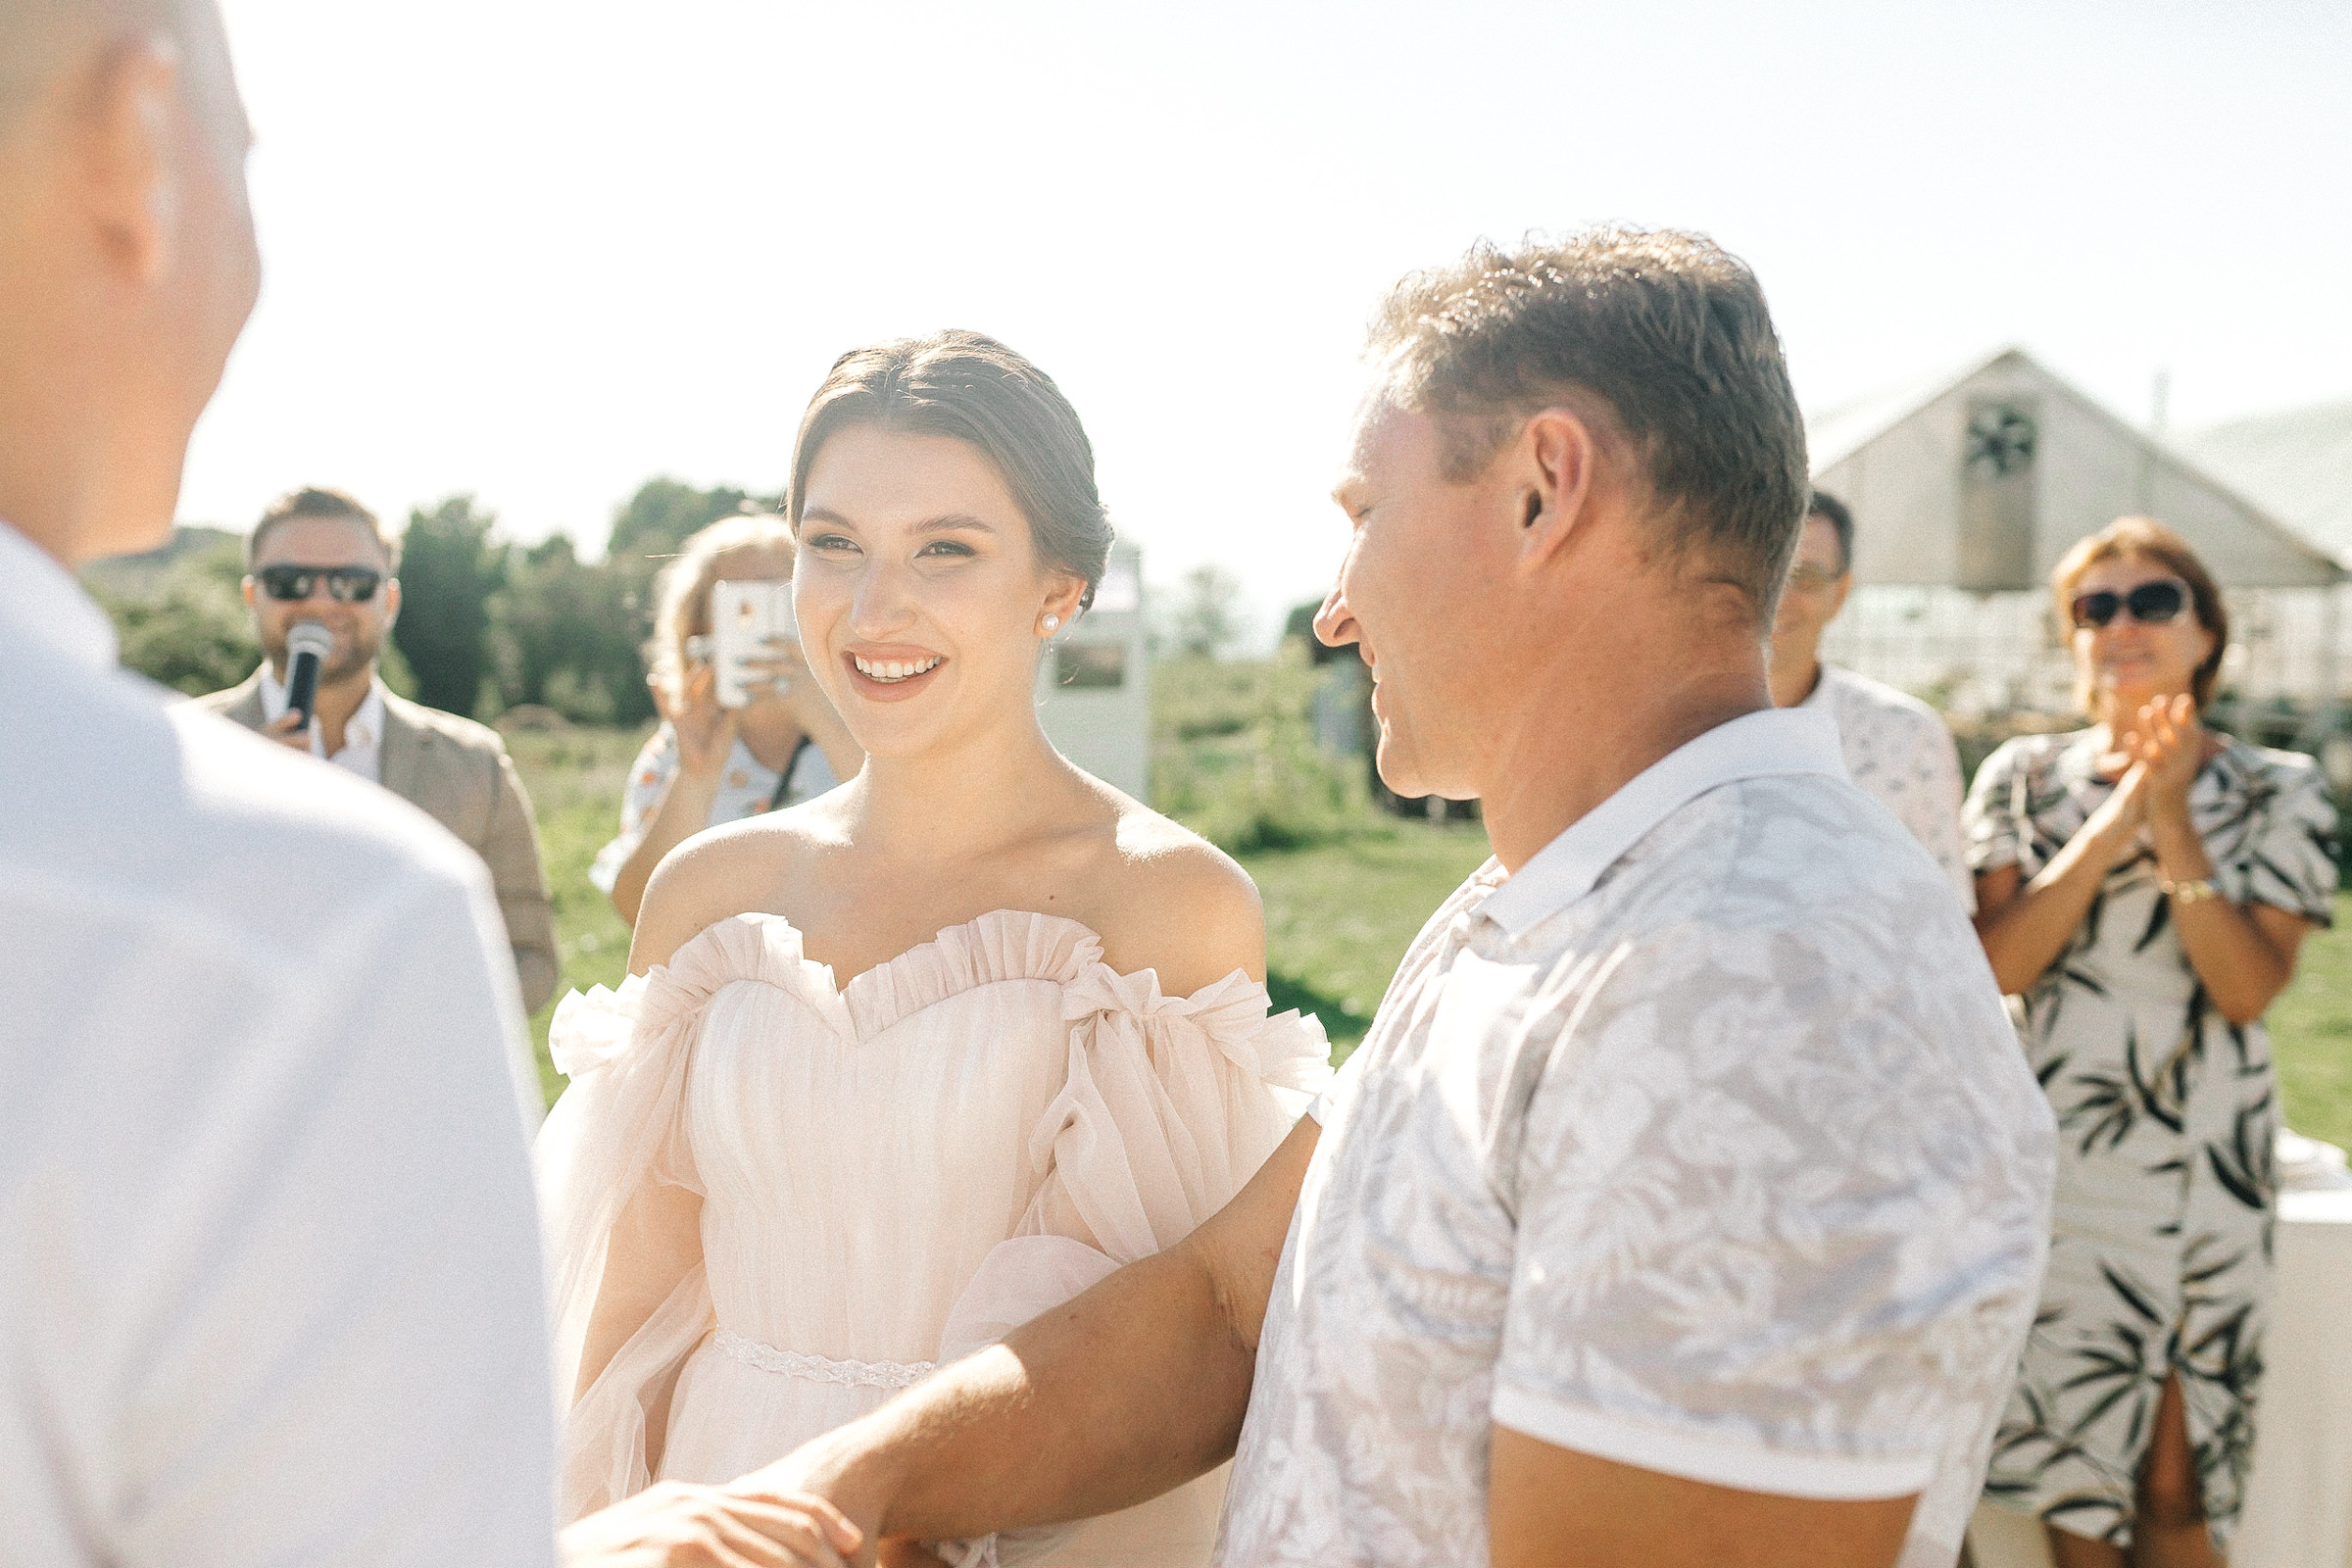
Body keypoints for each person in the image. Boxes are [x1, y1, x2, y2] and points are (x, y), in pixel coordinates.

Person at [624, 228, 2059, 1568]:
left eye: (1367, 511)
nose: (1334, 607)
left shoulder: (1765, 981)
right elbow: (1225, 1305)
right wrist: (824, 1501)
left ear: (1542, 491)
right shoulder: (1537, 912)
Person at [540, 330, 1331, 1565]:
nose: (872, 607)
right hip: (717, 1517)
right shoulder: (711, 892)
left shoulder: (1162, 909)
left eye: (944, 551)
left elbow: (1150, 1365)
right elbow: (630, 1305)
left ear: (1058, 585)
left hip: (1000, 1520)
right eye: (833, 544)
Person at [0, 2, 558, 1562]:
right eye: (237, 154)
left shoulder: (447, 795)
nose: (317, 606)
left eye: (349, 581)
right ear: (136, 140)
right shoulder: (321, 933)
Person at [1966, 517, 2338, 1567]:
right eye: (2097, 607)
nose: (2123, 624)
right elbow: (2000, 963)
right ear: (2073, 637)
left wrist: (2173, 820)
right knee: (2073, 1491)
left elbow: (2245, 987)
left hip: (2202, 1176)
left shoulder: (2281, 788)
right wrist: (2123, 804)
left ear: (2207, 629)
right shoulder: (2021, 777)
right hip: (2062, 1165)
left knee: (2177, 1488)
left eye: (2153, 601)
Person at [198, 484, 562, 1012]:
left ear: (388, 601)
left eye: (352, 582)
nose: (321, 602)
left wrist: (400, 1011)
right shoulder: (178, 750)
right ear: (253, 595)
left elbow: (530, 957)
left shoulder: (474, 766)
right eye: (289, 582)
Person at [592, 512, 862, 924]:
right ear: (700, 628)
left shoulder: (873, 730)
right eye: (742, 606)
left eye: (783, 600)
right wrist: (696, 777)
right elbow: (635, 909)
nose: (765, 626)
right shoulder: (676, 750)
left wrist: (828, 723)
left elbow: (922, 857)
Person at [1770, 488, 1974, 909]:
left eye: (1803, 577)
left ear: (1839, 594)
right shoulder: (1656, 729)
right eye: (1764, 569)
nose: (1777, 595)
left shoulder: (1906, 735)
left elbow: (1943, 911)